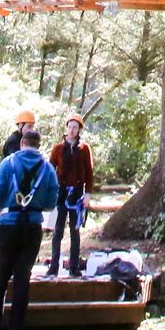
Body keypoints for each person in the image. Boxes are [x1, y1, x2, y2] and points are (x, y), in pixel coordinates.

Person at [0, 124, 61, 330]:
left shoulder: (8, 163)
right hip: (33, 227)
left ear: (22, 143)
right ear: (38, 145)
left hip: (8, 226)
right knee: (22, 280)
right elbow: (52, 201)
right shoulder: (48, 168)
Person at [47, 114, 94, 278]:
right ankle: (53, 266)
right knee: (58, 230)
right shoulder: (58, 148)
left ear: (79, 129)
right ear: (66, 128)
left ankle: (74, 267)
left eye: (75, 127)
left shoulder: (84, 148)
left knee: (75, 231)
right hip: (61, 192)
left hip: (77, 194)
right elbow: (50, 170)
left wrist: (87, 193)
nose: (72, 130)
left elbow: (89, 172)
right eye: (70, 126)